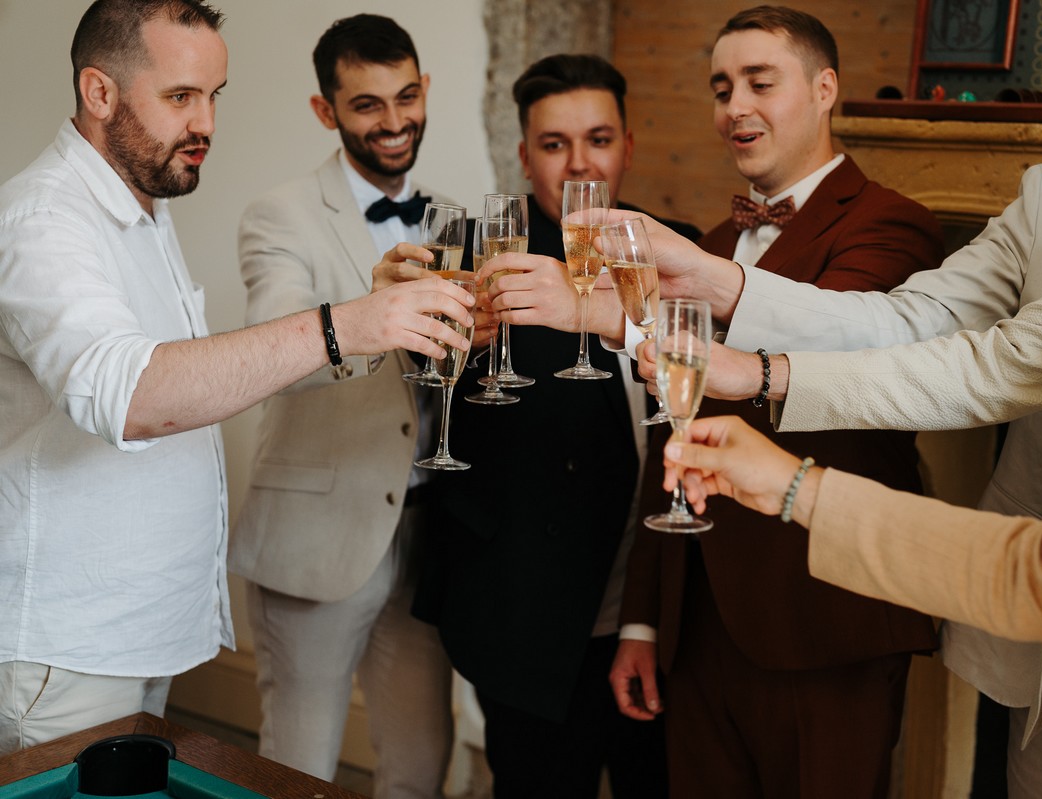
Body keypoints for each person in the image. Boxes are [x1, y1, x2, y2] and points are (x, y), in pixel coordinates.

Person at [619, 2, 1042, 793]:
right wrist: (758, 364)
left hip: (849, 620)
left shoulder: (890, 221)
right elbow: (982, 352)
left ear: (825, 89)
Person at [0, 0, 473, 755]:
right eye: (181, 97)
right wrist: (347, 324)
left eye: (213, 97)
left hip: (135, 629)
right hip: (69, 641)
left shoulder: (142, 211)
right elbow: (129, 394)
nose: (207, 124)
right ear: (99, 93)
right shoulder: (44, 221)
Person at [596, 8, 943, 798]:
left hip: (827, 619)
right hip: (699, 623)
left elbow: (834, 357)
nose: (734, 108)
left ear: (824, 90)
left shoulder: (896, 227)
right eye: (721, 88)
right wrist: (645, 619)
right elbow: (668, 432)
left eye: (760, 82)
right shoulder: (709, 242)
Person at [411, 54, 699, 799]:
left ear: (628, 146)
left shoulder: (682, 254)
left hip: (657, 614)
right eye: (553, 144)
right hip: (526, 620)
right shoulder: (479, 258)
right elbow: (418, 400)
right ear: (523, 154)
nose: (580, 165)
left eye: (599, 139)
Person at [229, 15, 466, 798]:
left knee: (421, 763)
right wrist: (369, 307)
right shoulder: (280, 214)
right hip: (316, 539)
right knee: (297, 768)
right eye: (367, 105)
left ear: (426, 88)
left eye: (407, 96)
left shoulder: (455, 217)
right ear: (324, 111)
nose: (395, 122)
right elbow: (275, 358)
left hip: (430, 537)